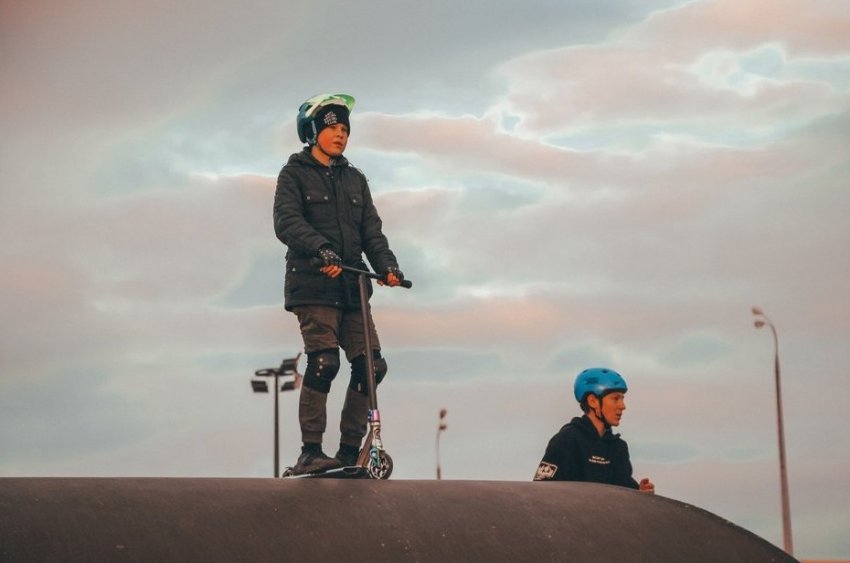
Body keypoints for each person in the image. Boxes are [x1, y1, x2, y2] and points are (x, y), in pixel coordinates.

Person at [273, 93, 405, 475]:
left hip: (352, 287)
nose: (340, 135)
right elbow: (287, 221)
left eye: (345, 129)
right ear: (313, 132)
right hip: (313, 284)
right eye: (332, 128)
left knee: (372, 367)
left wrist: (388, 266)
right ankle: (311, 452)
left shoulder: (355, 180)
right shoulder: (294, 174)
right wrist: (322, 249)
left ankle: (348, 454)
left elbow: (371, 233)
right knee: (324, 361)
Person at [533, 367, 655, 493]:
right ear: (593, 401)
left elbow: (623, 492)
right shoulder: (567, 440)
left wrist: (640, 492)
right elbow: (541, 491)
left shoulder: (618, 447)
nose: (622, 406)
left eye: (622, 399)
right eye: (615, 398)